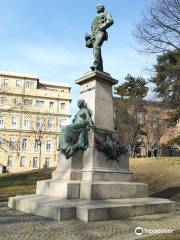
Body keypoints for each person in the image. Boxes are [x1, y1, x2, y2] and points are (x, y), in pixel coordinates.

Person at [85, 4, 113, 71]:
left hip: (101, 32)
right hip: (93, 35)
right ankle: (100, 67)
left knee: (97, 46)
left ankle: (96, 64)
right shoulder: (94, 19)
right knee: (95, 49)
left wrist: (102, 26)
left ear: (103, 8)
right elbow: (93, 28)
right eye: (97, 7)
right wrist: (88, 37)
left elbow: (110, 21)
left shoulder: (106, 13)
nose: (98, 8)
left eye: (100, 7)